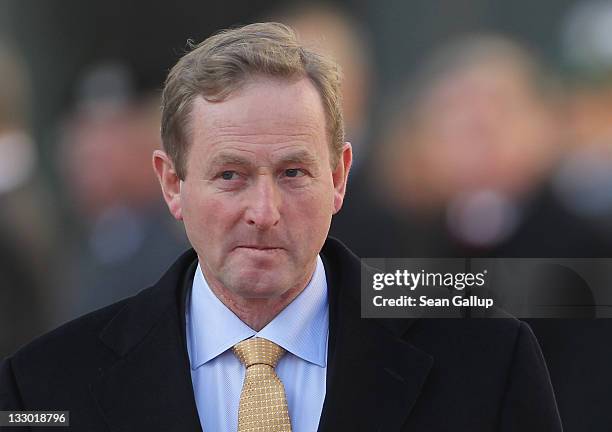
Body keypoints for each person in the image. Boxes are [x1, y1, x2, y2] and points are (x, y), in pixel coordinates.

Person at [0, 23, 561, 431]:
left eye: (293, 172)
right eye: (230, 175)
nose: (264, 210)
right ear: (172, 184)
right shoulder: (47, 385)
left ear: (339, 177)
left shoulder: (487, 362)